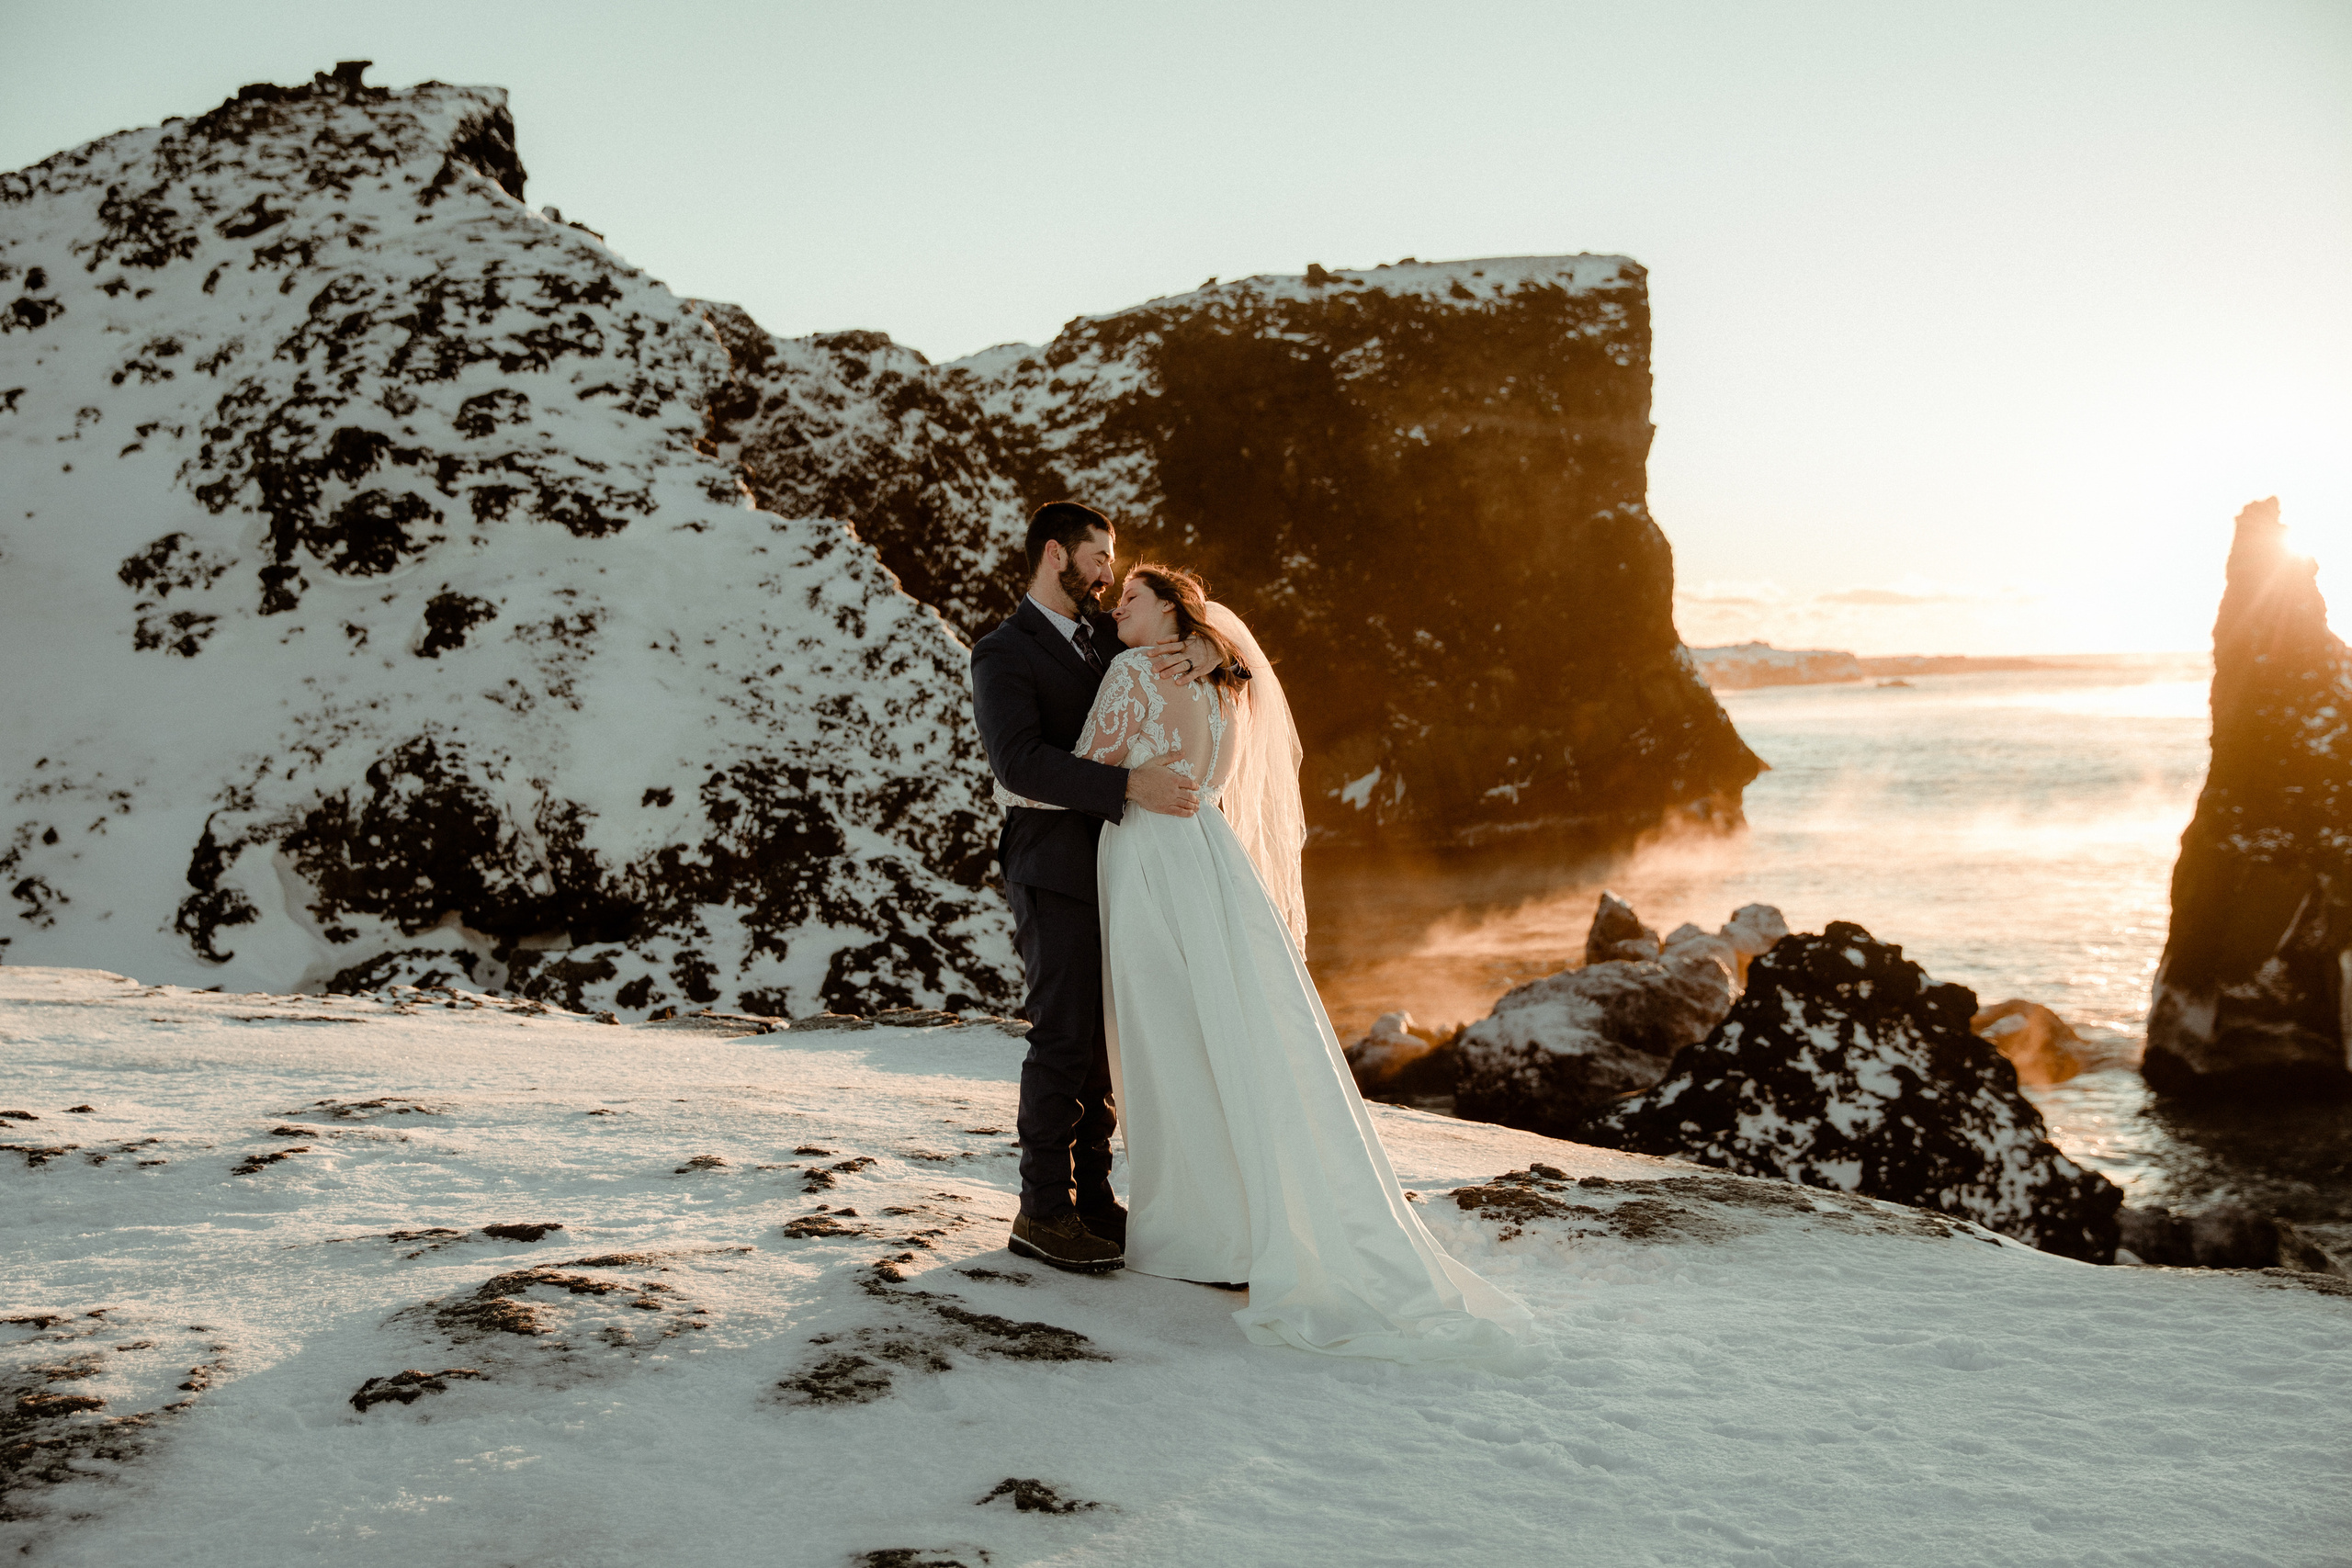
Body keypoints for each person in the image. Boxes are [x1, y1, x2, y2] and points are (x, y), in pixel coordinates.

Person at [1011, 560, 1533, 1364]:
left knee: (1163, 1041)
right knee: (1229, 1035)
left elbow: (1088, 761)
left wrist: (1032, 788)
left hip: (1148, 860)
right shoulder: (1228, 681)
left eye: (1132, 598)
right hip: (1215, 859)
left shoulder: (1133, 671)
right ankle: (1248, 1224)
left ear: (1171, 609)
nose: (1118, 609)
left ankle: (1194, 1232)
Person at [967, 502, 1226, 1274]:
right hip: (1050, 863)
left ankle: (1092, 1199)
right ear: (1056, 554)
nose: (1111, 574)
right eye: (1101, 556)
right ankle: (1040, 1209)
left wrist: (1211, 653)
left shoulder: (1103, 644)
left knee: (1102, 1049)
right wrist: (1128, 787)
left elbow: (1177, 663)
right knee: (1062, 1034)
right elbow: (1017, 763)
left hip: (1119, 866)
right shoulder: (1002, 652)